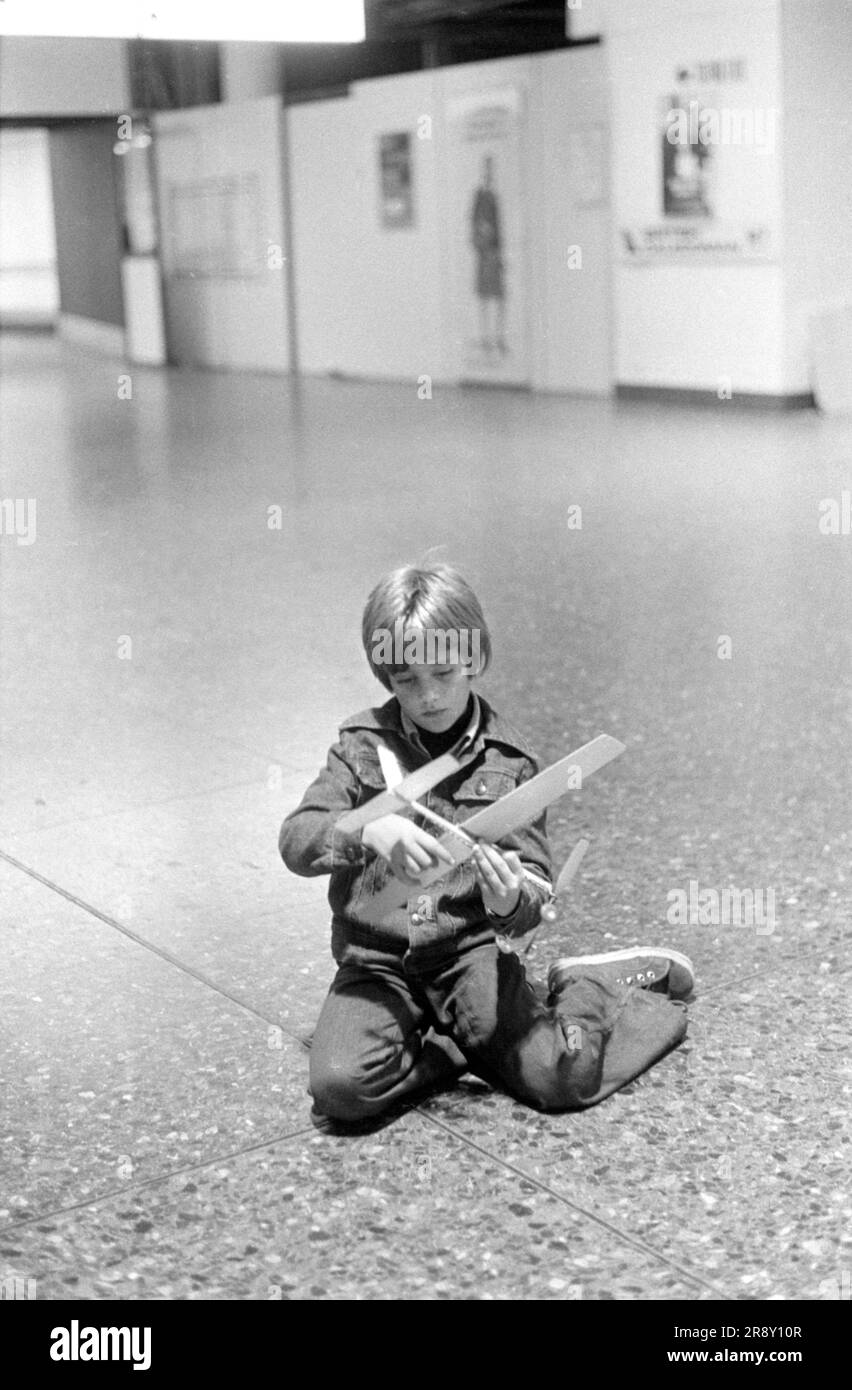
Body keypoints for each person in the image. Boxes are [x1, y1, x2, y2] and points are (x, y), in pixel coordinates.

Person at [279, 563, 693, 1129]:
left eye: (443, 673)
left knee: (563, 1076)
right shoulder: (360, 747)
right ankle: (460, 1047)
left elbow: (533, 892)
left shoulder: (510, 760)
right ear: (386, 677)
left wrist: (507, 901)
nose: (426, 696)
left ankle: (587, 986)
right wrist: (366, 827)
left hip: (467, 957)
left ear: (473, 659)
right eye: (405, 680)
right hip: (376, 963)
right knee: (339, 1090)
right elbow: (296, 839)